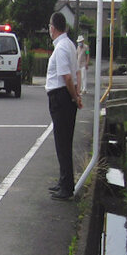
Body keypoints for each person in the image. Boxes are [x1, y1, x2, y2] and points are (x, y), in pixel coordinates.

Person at [46, 13, 83, 201]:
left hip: (60, 96)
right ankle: (64, 181)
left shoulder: (61, 48)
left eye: (50, 26)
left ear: (54, 27)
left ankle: (66, 186)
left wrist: (73, 96)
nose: (49, 30)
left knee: (62, 142)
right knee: (63, 141)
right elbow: (76, 73)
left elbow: (67, 77)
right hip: (66, 97)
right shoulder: (69, 44)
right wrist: (77, 95)